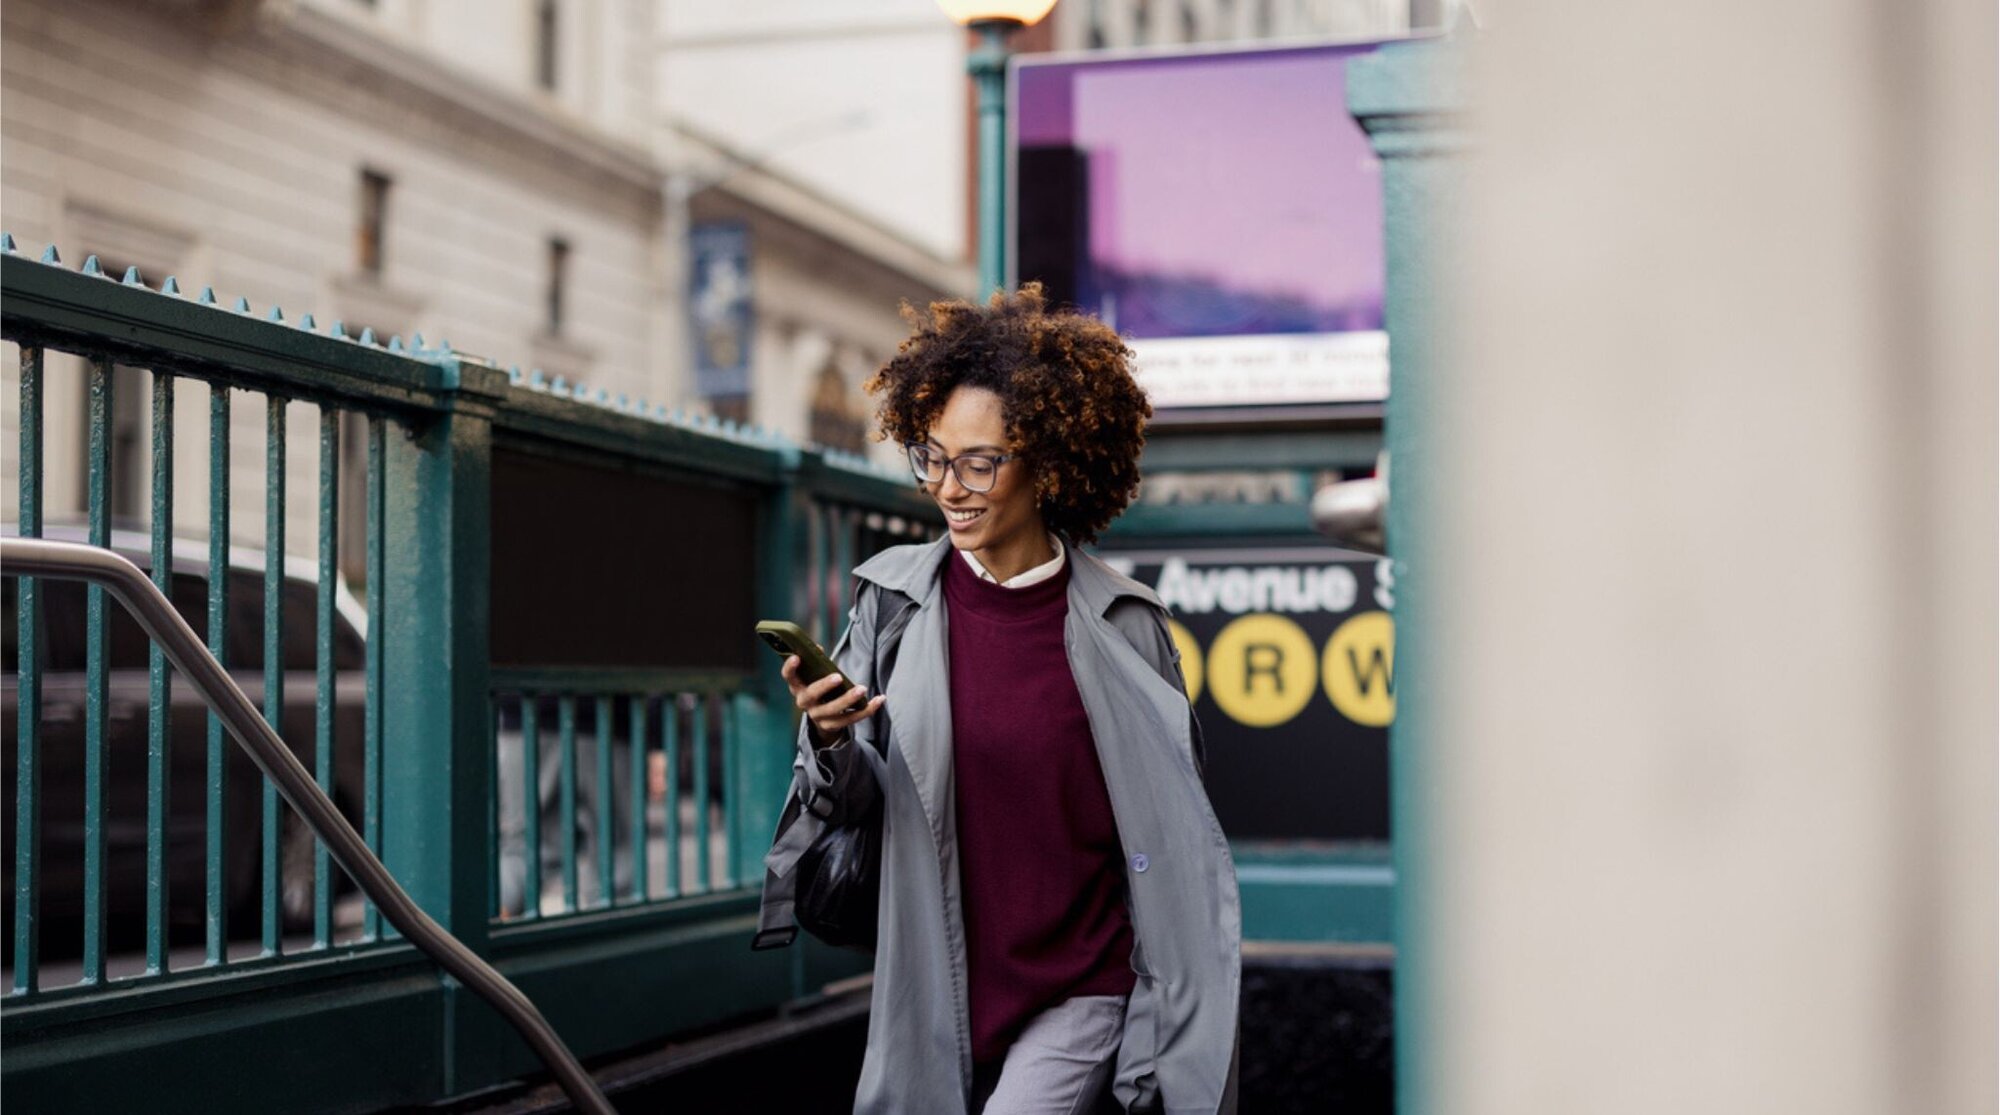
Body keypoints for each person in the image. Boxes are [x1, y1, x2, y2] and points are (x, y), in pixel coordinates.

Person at [757, 286, 1240, 1114]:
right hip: (936, 979)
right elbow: (856, 804)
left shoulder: (1126, 624)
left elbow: (1174, 829)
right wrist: (831, 737)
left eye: (979, 462)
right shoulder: (892, 602)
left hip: (1081, 984)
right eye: (933, 457)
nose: (950, 486)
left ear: (1047, 463)